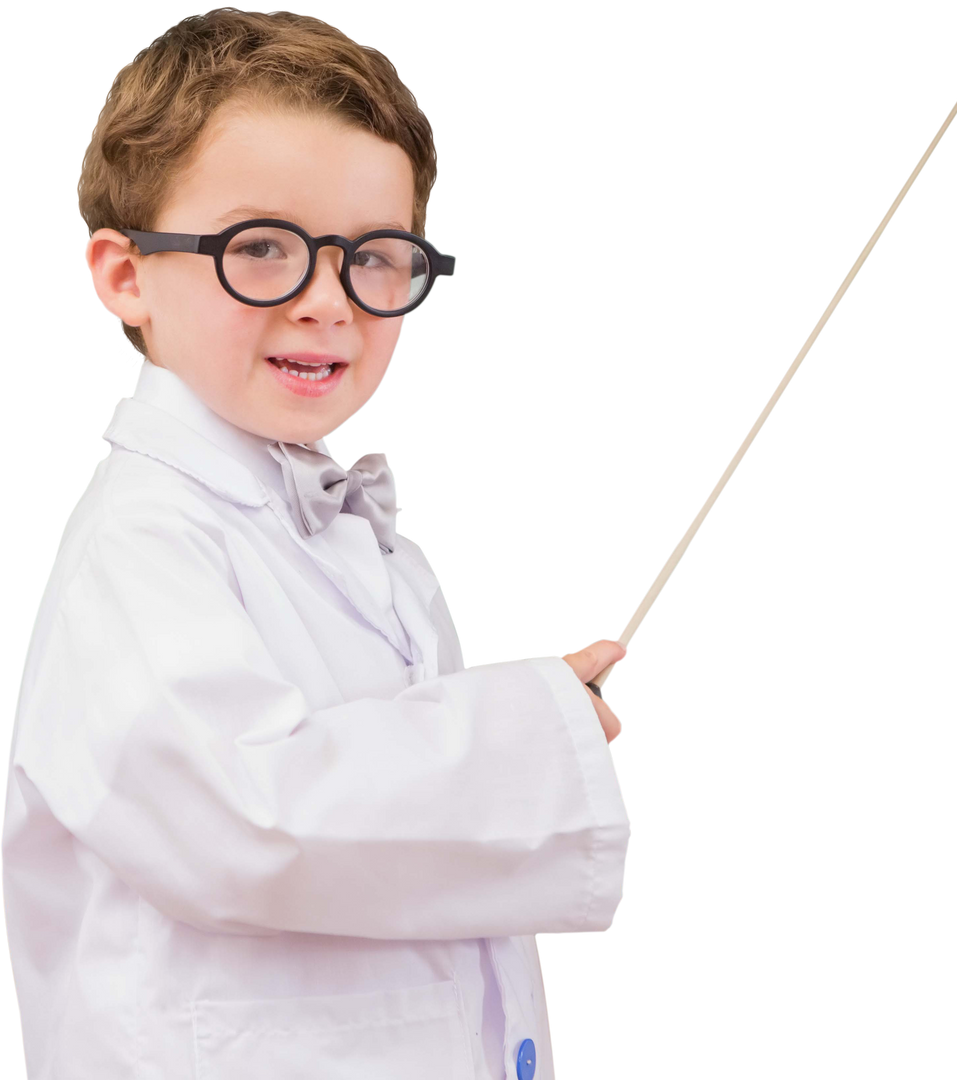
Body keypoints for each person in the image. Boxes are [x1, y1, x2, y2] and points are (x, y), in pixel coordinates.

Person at [0, 8, 632, 1080]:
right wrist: (521, 738)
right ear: (124, 274)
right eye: (261, 249)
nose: (327, 303)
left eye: (376, 258)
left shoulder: (374, 544)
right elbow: (243, 823)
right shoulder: (143, 538)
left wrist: (524, 731)